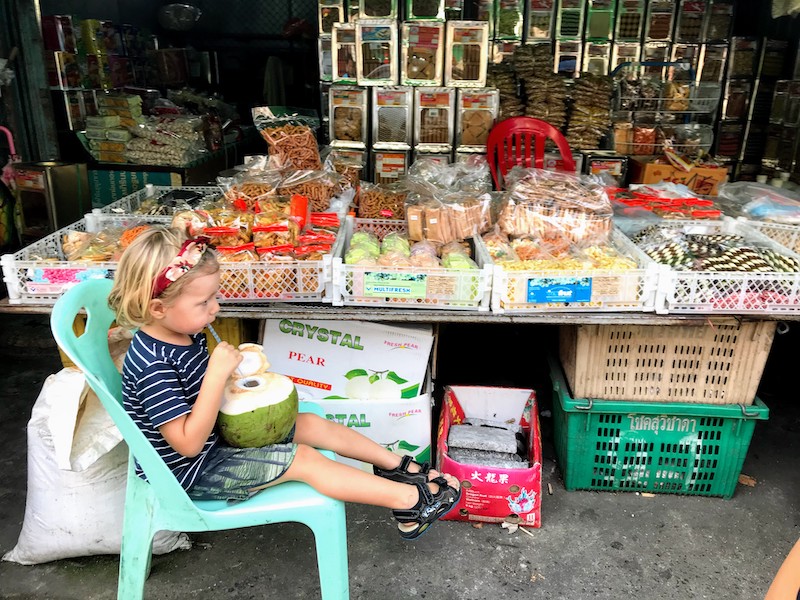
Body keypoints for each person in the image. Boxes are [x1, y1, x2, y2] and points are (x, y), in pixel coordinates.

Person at [107, 226, 460, 540]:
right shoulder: (152, 363)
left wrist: (233, 374)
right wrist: (216, 376)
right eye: (204, 302)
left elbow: (198, 394)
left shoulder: (183, 331)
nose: (215, 308)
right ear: (157, 309)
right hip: (190, 472)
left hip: (215, 441)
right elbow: (187, 444)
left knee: (308, 423)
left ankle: (398, 468)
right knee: (303, 460)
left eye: (214, 296)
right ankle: (410, 504)